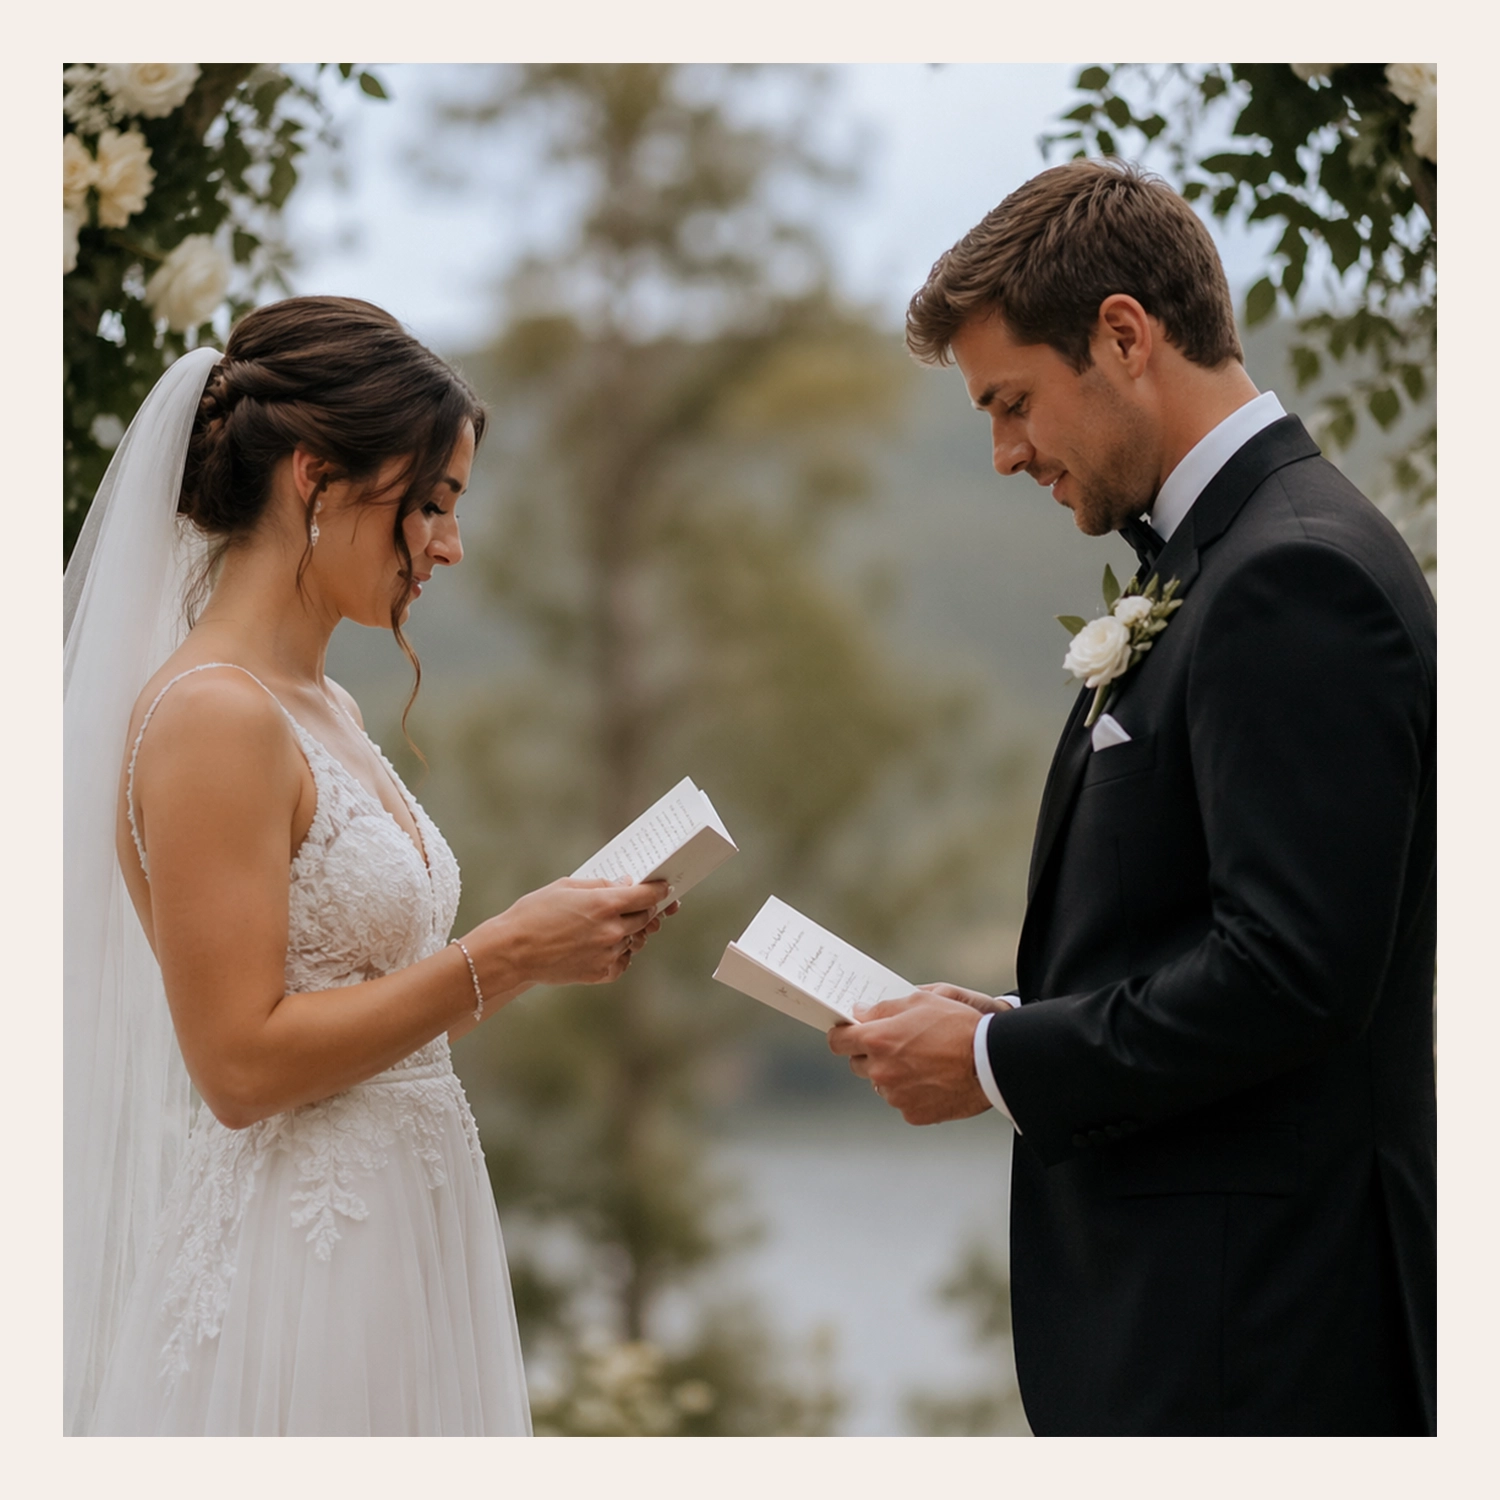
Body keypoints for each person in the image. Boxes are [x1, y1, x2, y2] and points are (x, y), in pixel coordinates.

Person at [828, 160, 1436, 1436]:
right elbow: (1203, 930)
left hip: (1260, 1343)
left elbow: (1292, 975)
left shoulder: (1293, 576)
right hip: (1206, 1324)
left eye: (1013, 403)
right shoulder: (1224, 559)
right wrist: (1005, 1015)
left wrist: (998, 1060)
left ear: (1122, 335)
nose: (1002, 455)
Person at [64, 296, 673, 1435]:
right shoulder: (213, 716)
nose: (449, 543)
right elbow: (239, 1067)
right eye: (431, 503)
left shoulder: (326, 705)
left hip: (411, 1230)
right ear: (316, 479)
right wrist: (505, 954)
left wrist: (547, 950)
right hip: (306, 1263)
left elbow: (363, 1007)